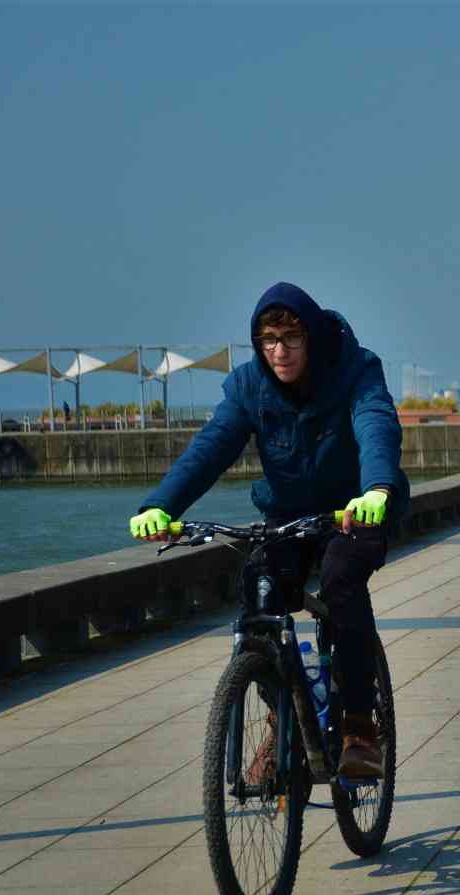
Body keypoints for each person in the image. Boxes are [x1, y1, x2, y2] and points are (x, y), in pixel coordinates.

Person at [129, 281, 409, 777]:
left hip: (356, 509)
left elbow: (375, 422)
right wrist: (160, 505)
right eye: (268, 340)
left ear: (314, 337)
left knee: (343, 580)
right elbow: (211, 447)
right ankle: (284, 726)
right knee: (260, 593)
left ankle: (360, 729)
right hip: (289, 516)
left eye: (291, 339)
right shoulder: (248, 388)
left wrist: (377, 490)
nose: (279, 351)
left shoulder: (355, 368)